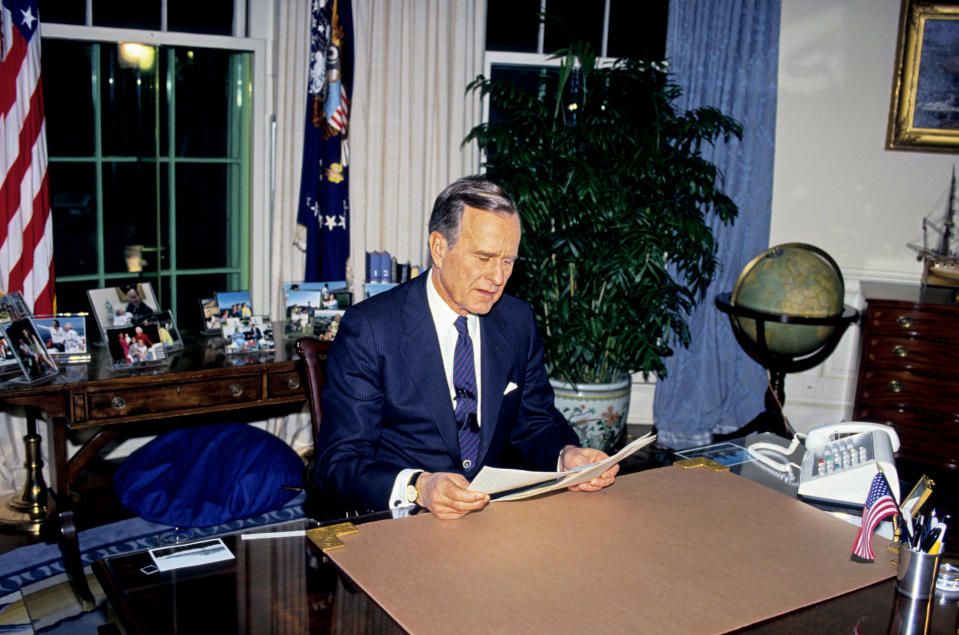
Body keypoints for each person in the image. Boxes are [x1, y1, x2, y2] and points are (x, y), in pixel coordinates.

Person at [314, 176, 618, 520]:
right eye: (485, 257)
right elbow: (339, 464)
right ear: (439, 248)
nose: (498, 277)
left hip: (499, 518)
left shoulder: (517, 321)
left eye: (508, 261)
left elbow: (535, 422)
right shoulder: (371, 328)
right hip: (407, 522)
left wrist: (568, 455)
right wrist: (419, 487)